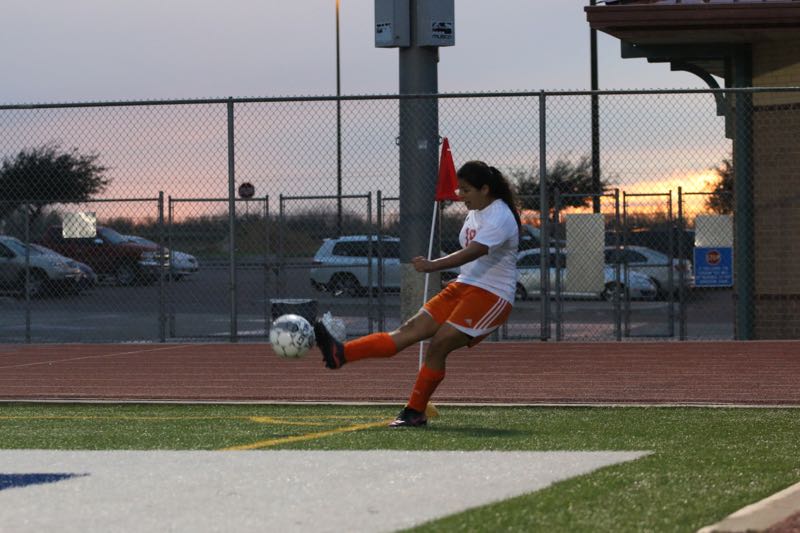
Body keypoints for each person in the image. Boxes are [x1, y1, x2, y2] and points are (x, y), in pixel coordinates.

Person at [314, 160, 521, 427]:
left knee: (439, 344)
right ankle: (340, 354)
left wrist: (434, 265)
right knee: (409, 330)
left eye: (466, 190)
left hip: (492, 296)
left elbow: (475, 250)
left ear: (485, 189)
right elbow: (472, 257)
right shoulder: (475, 212)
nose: (460, 195)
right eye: (459, 189)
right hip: (463, 286)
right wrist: (454, 275)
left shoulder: (500, 215)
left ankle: (415, 411)